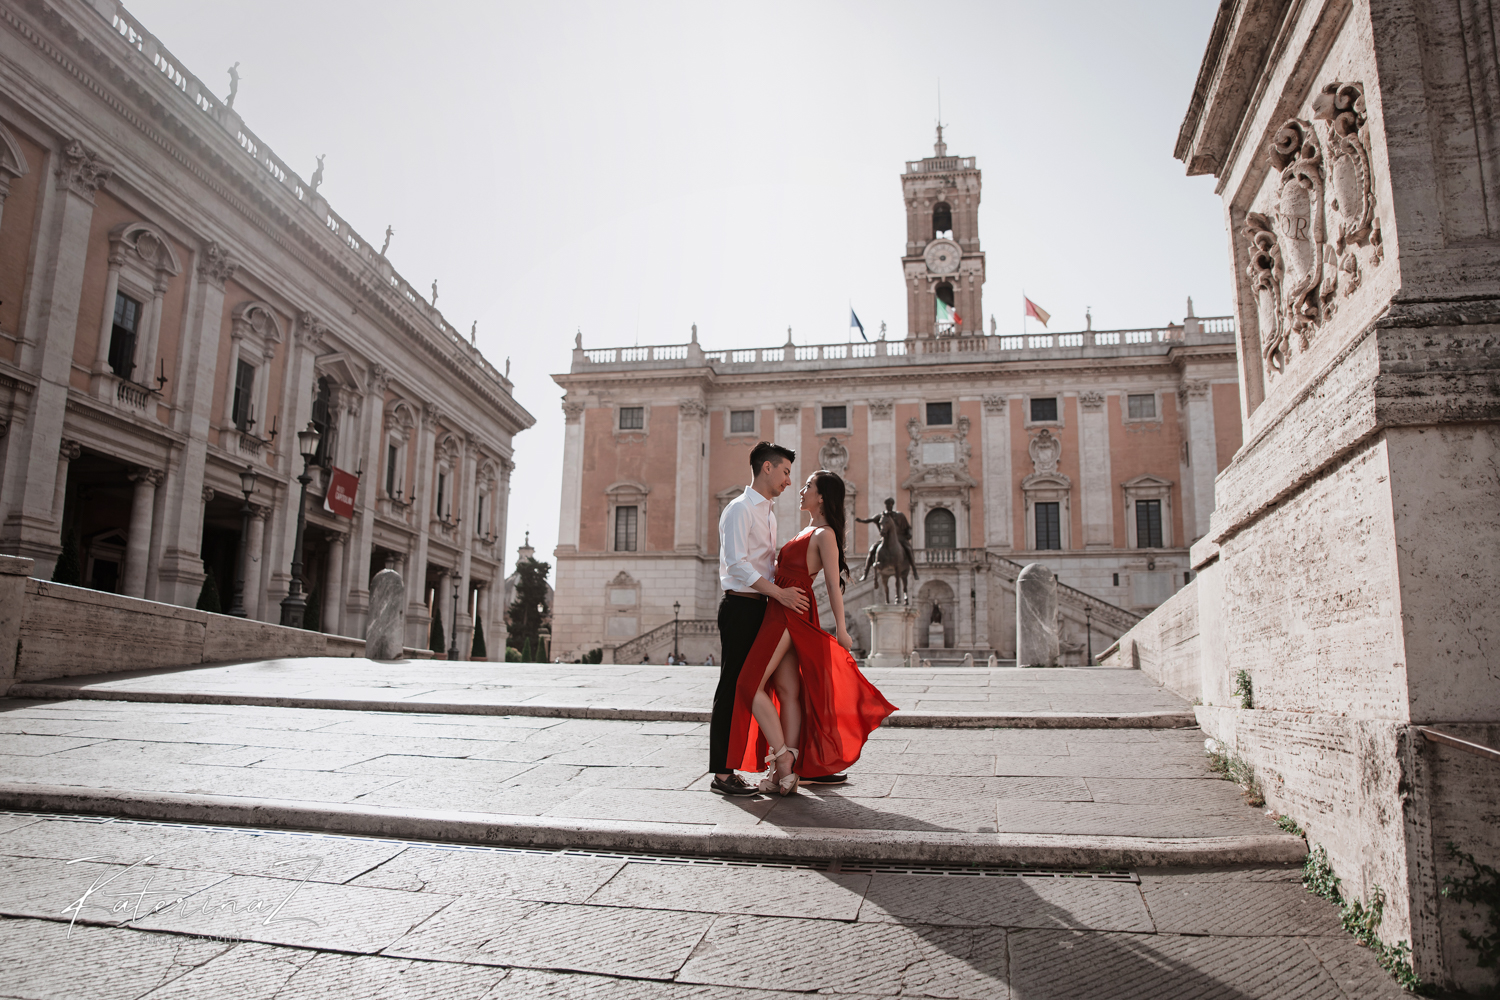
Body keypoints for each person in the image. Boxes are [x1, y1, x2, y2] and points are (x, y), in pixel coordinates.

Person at [726, 470, 897, 795]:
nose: (800, 490)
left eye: (807, 486)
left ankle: (783, 759)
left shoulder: (825, 534)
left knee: (748, 685)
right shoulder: (809, 530)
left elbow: (833, 584)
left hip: (789, 613)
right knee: (789, 692)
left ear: (821, 496)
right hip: (783, 607)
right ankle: (783, 775)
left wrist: (842, 630)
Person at [709, 441, 808, 796]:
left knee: (753, 687)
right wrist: (780, 593)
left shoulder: (768, 512)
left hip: (762, 607)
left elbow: (766, 564)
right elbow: (736, 563)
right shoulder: (739, 509)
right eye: (784, 472)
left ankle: (773, 761)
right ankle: (721, 774)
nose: (787, 481)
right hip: (740, 607)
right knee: (732, 685)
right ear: (766, 467)